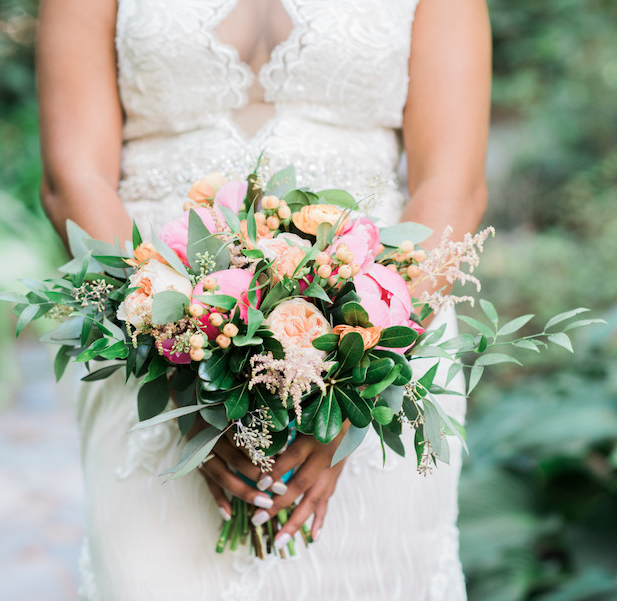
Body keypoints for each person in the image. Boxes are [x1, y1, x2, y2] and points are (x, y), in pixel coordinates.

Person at [37, 0, 490, 598]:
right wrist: (183, 371)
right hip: (149, 342)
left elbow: (452, 186)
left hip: (379, 343)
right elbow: (74, 179)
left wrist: (354, 393)